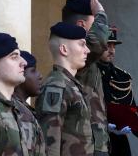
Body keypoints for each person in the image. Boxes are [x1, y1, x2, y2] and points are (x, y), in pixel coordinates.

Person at [35, 22, 94, 156]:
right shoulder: (56, 86)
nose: (87, 50)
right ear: (64, 49)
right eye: (82, 44)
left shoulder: (69, 83)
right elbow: (50, 142)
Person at [97, 26, 138, 156]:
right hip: (94, 139)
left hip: (118, 142)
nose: (112, 50)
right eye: (108, 45)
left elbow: (132, 112)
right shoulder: (88, 76)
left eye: (114, 46)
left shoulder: (122, 77)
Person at [63, 0, 110, 156]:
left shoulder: (86, 57)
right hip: (83, 148)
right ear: (82, 26)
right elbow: (99, 42)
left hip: (96, 144)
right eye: (94, 22)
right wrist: (101, 13)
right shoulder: (75, 54)